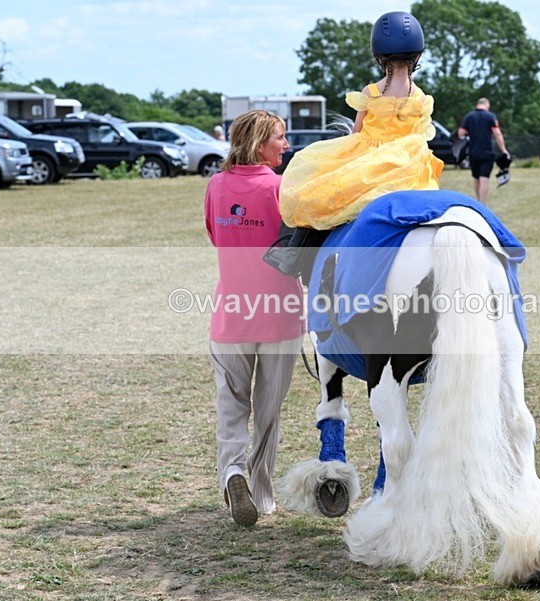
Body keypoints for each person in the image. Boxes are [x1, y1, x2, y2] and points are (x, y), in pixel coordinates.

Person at [264, 11, 444, 278]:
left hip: (373, 159)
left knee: (318, 194)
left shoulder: (371, 92)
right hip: (408, 164)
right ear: (417, 56)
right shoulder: (421, 98)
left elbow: (357, 131)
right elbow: (422, 134)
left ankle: (295, 254)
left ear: (379, 57)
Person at [204, 110, 305, 527]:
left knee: (231, 404)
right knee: (267, 409)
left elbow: (214, 234)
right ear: (259, 143)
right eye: (279, 138)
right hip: (279, 316)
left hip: (231, 316)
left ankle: (232, 472)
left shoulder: (214, 185)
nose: (286, 144)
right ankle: (261, 495)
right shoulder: (283, 189)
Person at [458, 98, 510, 204]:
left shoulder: (469, 116)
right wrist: (504, 150)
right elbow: (497, 134)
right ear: (487, 105)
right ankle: (482, 203)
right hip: (486, 152)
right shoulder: (490, 116)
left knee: (476, 177)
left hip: (473, 153)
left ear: (478, 104)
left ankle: (478, 202)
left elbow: (461, 133)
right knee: (484, 178)